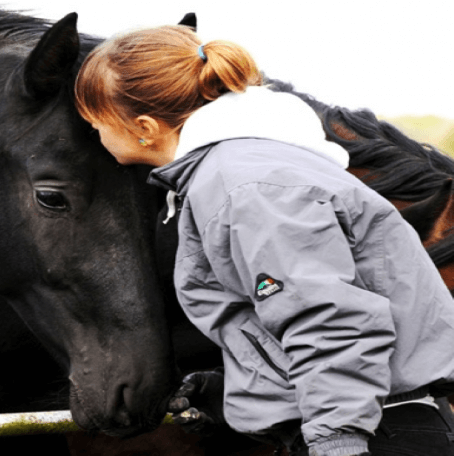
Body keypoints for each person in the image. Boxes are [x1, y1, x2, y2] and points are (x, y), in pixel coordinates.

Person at [73, 24, 454, 456]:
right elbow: (291, 310)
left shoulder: (247, 184)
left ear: (144, 126)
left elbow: (327, 318)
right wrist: (240, 390)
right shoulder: (251, 166)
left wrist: (337, 442)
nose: (97, 138)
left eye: (94, 124)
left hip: (371, 435)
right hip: (375, 424)